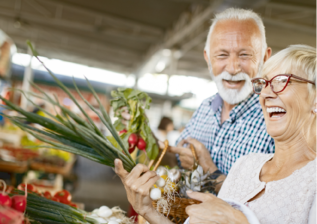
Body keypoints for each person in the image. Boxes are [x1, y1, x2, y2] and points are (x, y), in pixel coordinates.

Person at [115, 44, 317, 224]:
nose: (266, 94)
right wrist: (148, 211)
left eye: (282, 81)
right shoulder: (245, 166)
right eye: (263, 84)